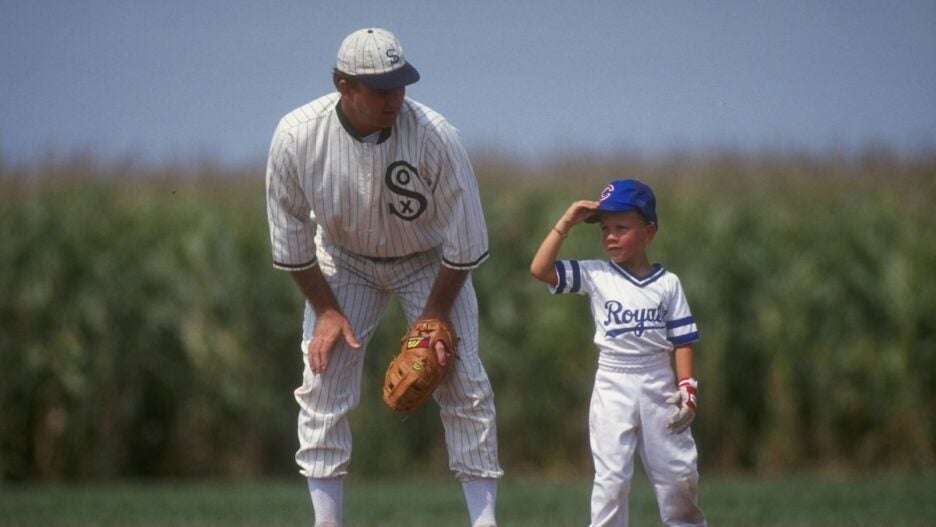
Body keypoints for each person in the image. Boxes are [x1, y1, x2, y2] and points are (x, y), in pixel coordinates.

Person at [265, 28, 502, 527]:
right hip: (344, 261)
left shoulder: (436, 135)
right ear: (344, 86)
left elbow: (467, 239)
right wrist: (326, 310)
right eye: (380, 89)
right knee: (323, 382)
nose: (395, 98)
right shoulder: (297, 136)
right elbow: (290, 237)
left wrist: (435, 314)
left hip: (429, 262)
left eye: (401, 84)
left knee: (463, 382)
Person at [529, 179, 706, 527]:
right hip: (612, 381)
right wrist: (565, 223)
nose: (610, 236)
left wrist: (687, 387)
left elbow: (683, 340)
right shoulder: (596, 274)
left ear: (648, 232)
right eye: (605, 229)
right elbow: (540, 269)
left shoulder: (667, 283)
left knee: (678, 475)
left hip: (659, 383)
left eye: (621, 228)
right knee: (611, 479)